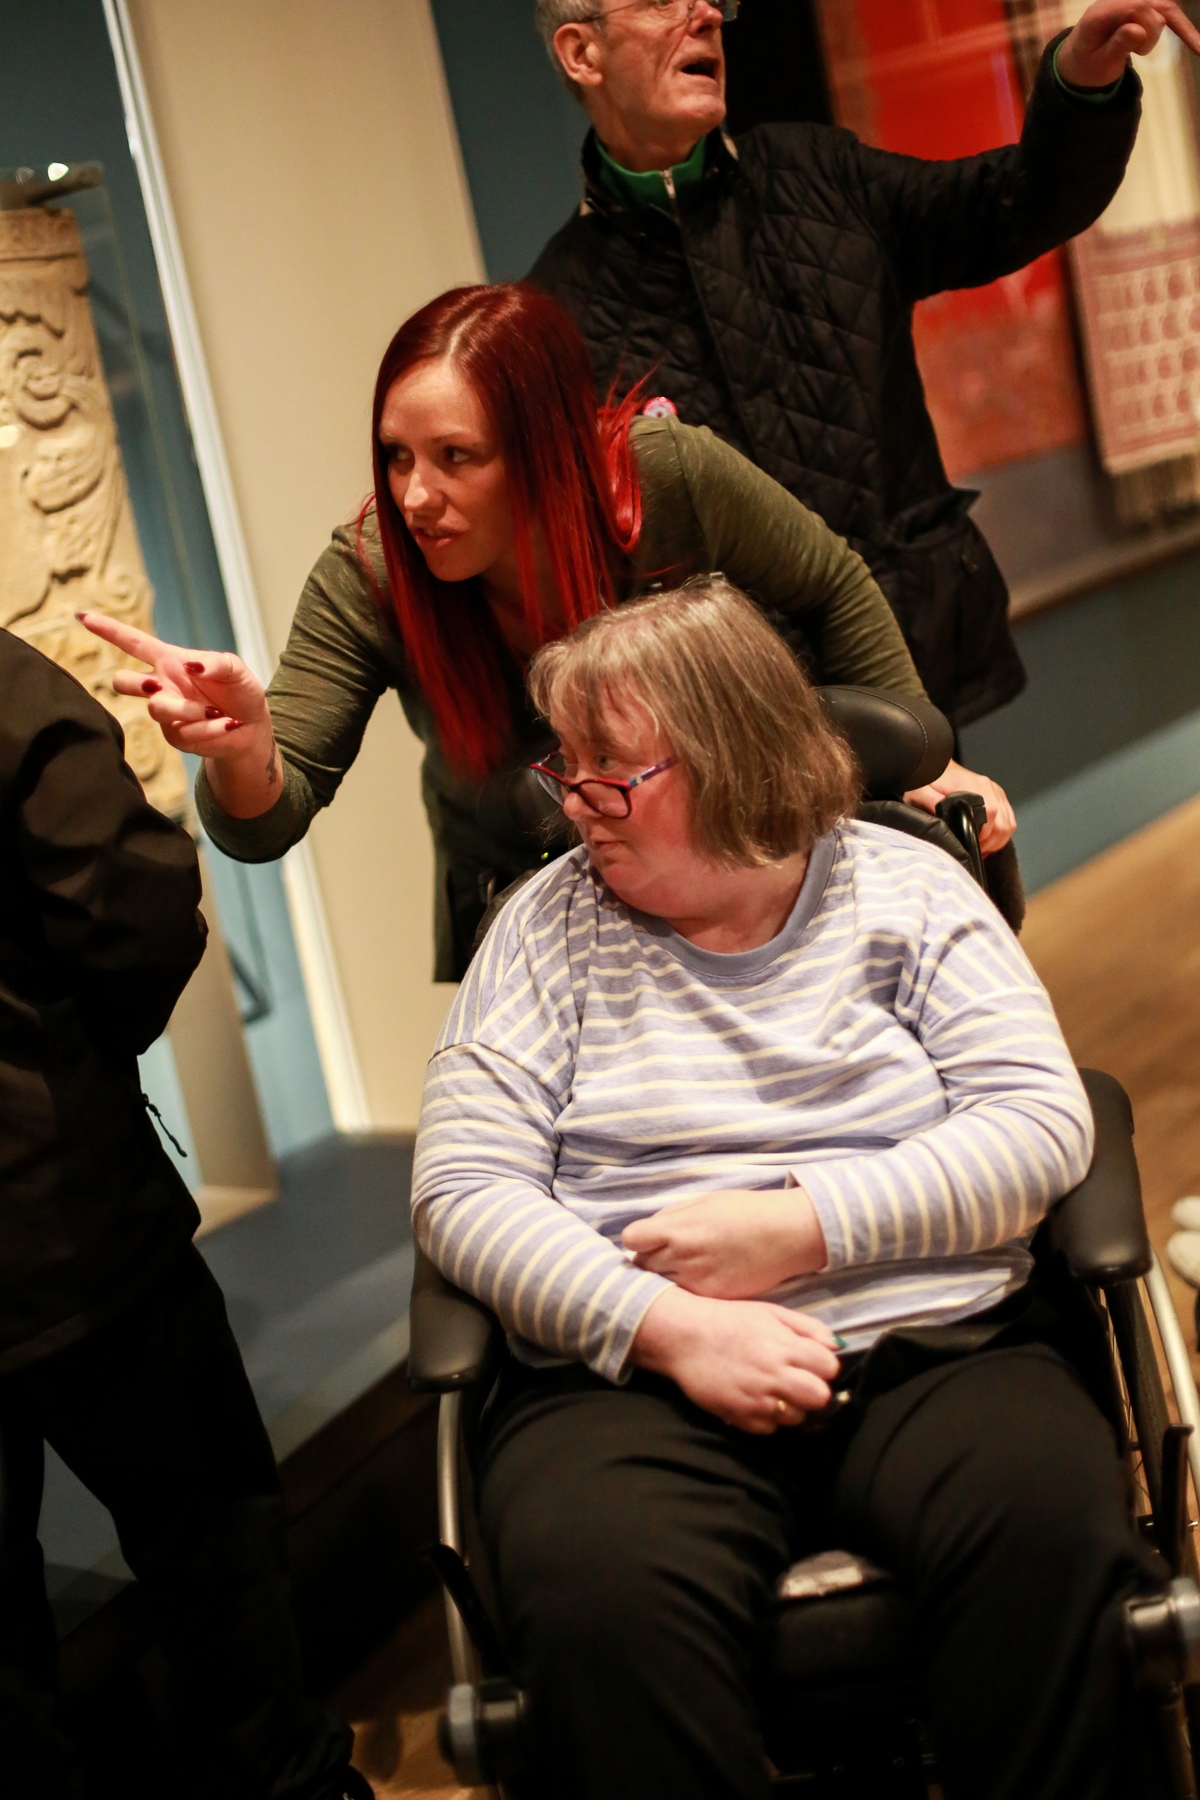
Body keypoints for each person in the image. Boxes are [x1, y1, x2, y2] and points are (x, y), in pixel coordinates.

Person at [411, 576, 1168, 1800]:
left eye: (616, 772)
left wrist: (800, 1229)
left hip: (936, 1341)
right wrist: (666, 1327)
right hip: (633, 1380)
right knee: (599, 1599)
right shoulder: (543, 933)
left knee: (1046, 1531)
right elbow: (461, 1188)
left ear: (733, 753)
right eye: (569, 770)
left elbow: (1037, 1122)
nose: (579, 806)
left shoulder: (905, 889)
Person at [80, 284, 1012, 983]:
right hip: (529, 893)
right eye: (396, 458)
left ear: (544, 450)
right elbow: (266, 820)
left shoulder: (663, 481)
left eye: (456, 458)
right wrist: (243, 748)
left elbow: (834, 584)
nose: (414, 497)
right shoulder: (370, 572)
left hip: (728, 847)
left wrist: (921, 761)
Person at [529, 0, 1200, 731]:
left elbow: (1012, 202)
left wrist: (1082, 82)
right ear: (581, 53)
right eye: (664, 0)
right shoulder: (554, 316)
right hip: (735, 737)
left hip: (907, 684)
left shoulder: (818, 175)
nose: (708, 15)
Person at [0, 630, 369, 1800]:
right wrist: (79, 1059)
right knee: (206, 1536)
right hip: (61, 1213)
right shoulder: (5, 692)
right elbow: (135, 910)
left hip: (58, 1201)